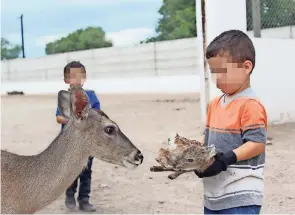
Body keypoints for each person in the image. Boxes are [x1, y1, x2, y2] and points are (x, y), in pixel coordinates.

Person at [194, 30, 268, 214]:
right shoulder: (214, 104)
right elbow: (207, 139)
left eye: (223, 72)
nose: (217, 79)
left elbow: (257, 143)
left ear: (246, 67)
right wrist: (195, 158)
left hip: (241, 196)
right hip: (214, 196)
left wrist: (226, 159)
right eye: (213, 72)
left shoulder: (250, 105)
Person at [56, 61, 100, 212]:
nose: (76, 79)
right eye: (72, 77)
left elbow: (98, 116)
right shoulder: (65, 97)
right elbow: (59, 118)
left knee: (86, 172)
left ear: (84, 77)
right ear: (66, 80)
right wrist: (73, 120)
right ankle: (70, 195)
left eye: (79, 76)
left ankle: (84, 200)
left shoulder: (92, 96)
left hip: (88, 142)